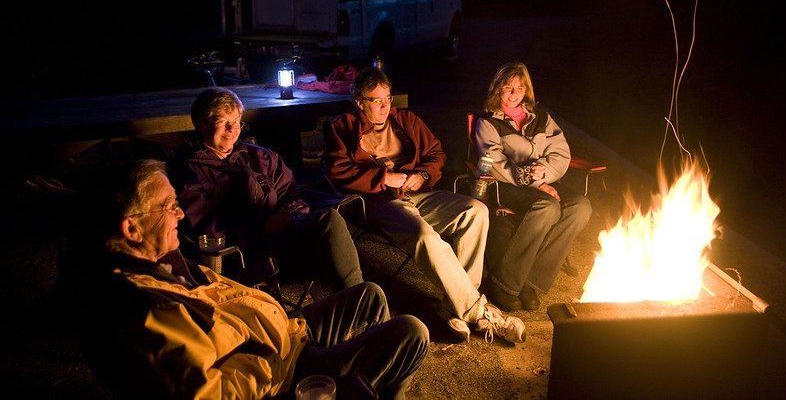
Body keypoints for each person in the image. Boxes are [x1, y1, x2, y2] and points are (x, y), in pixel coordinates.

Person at [68, 159, 428, 399]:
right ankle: (351, 384)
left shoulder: (163, 260)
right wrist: (276, 360)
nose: (177, 212)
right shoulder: (144, 309)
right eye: (167, 206)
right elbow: (210, 393)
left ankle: (363, 385)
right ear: (131, 228)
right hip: (282, 371)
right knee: (411, 331)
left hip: (284, 333)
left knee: (369, 295)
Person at [323, 66, 525, 344]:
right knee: (424, 236)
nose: (384, 106)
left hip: (417, 193)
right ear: (360, 102)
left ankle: (454, 306)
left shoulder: (405, 120)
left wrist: (424, 175)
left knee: (476, 211)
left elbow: (435, 153)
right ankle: (480, 312)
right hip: (380, 201)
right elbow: (337, 171)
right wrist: (383, 178)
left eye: (388, 98)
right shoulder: (343, 127)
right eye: (376, 100)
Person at [171, 87, 363, 290]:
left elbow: (292, 194)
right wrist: (263, 228)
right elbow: (207, 232)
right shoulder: (189, 173)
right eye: (222, 122)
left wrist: (290, 213)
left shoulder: (260, 157)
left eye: (236, 122)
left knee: (330, 221)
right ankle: (358, 300)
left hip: (287, 238)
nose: (232, 129)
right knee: (330, 239)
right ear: (201, 124)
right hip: (248, 257)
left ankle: (357, 298)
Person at [474, 61, 592, 312]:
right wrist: (536, 181)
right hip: (505, 185)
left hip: (544, 182)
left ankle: (528, 280)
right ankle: (504, 283)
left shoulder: (541, 118)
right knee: (547, 206)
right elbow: (494, 162)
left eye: (520, 87)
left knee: (580, 207)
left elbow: (561, 153)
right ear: (497, 90)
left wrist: (547, 173)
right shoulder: (488, 122)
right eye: (508, 88)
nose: (515, 93)